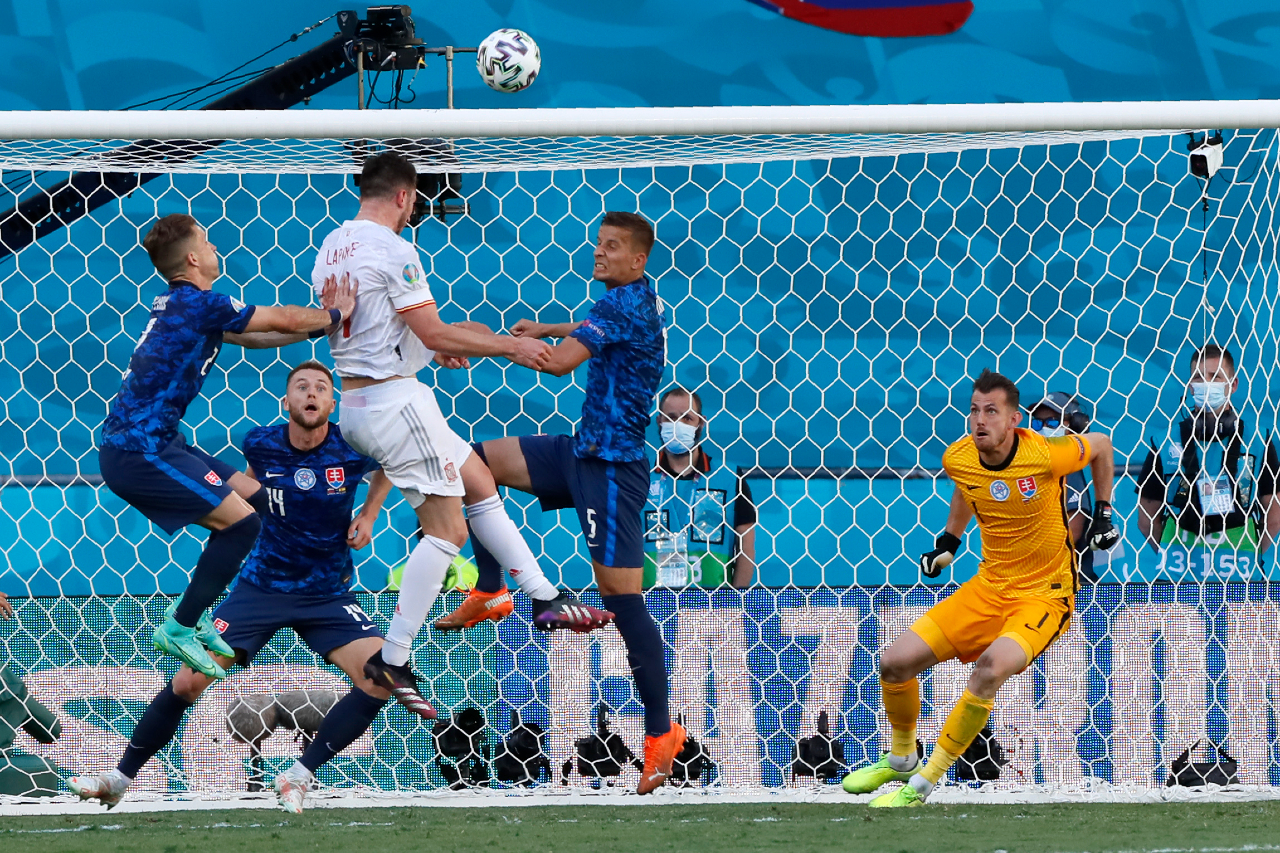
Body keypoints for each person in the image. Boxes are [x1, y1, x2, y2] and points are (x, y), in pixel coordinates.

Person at [312, 152, 609, 721]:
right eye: (416, 200)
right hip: (395, 399)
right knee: (447, 533)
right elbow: (429, 327)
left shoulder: (333, 244)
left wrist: (438, 344)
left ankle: (542, 596)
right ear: (404, 195)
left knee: (477, 476)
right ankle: (393, 657)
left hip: (361, 396)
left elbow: (393, 329)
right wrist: (511, 346)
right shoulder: (395, 249)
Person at [70, 360, 394, 814]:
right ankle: (120, 777)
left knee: (387, 676)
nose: (311, 393)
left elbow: (393, 462)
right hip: (260, 586)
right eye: (301, 386)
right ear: (287, 401)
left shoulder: (353, 444)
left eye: (321, 387)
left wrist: (371, 511)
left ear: (332, 402)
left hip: (327, 593)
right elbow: (247, 496)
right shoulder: (261, 442)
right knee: (187, 682)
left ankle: (299, 775)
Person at [438, 211, 684, 795]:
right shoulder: (631, 302)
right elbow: (589, 329)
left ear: (638, 260)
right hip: (579, 451)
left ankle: (659, 734)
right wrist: (547, 324)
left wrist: (501, 344)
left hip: (612, 470)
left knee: (622, 601)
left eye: (613, 247)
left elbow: (558, 364)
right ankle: (491, 588)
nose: (599, 254)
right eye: (598, 244)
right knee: (474, 464)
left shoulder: (623, 305)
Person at [842, 368, 1118, 807]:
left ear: (1014, 420)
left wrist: (1103, 513)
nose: (980, 420)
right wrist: (949, 542)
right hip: (989, 587)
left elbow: (1101, 446)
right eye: (974, 410)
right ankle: (900, 760)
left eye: (992, 411)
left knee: (989, 669)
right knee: (893, 663)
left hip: (1044, 595)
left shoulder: (1045, 454)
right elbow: (968, 488)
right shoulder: (960, 456)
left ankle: (923, 784)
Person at [98, 214, 357, 679]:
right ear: (194, 258)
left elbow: (254, 335)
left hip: (160, 443)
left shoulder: (182, 305)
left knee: (261, 500)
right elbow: (283, 317)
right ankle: (179, 625)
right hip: (139, 453)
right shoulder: (200, 304)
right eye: (207, 240)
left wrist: (321, 330)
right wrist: (339, 313)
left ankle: (285, 583)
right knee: (242, 524)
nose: (216, 246)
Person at [1137, 344, 1280, 580]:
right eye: (1198, 378)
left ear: (1233, 385)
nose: (1206, 384)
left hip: (1214, 577)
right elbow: (1146, 519)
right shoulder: (1164, 441)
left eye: (1215, 377)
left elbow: (1274, 517)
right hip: (1200, 577)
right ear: (1190, 387)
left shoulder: (1260, 441)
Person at [644, 386, 756, 589]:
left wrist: (734, 603)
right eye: (670, 417)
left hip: (713, 608)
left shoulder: (730, 478)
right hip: (650, 607)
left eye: (687, 418)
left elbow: (746, 550)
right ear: (659, 421)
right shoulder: (638, 477)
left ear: (701, 423)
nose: (678, 425)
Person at [1029, 392, 1128, 581]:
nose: (1042, 429)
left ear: (1074, 426)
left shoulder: (1073, 469)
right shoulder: (1034, 466)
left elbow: (1069, 535)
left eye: (1052, 422)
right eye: (1036, 423)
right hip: (1037, 580)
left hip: (1070, 584)